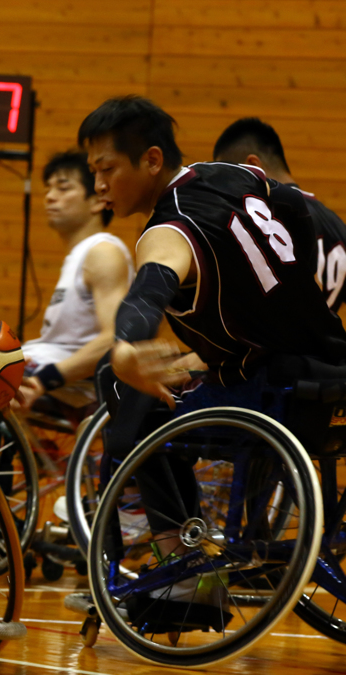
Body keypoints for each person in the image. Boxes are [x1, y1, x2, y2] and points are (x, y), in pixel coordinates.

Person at [78, 96, 346, 605]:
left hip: (270, 394)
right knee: (180, 375)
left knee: (120, 386)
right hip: (327, 374)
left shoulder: (168, 227)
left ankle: (184, 567)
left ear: (152, 160)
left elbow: (149, 289)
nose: (99, 186)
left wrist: (125, 346)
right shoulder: (234, 175)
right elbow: (295, 208)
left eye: (106, 168)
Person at [16, 150, 133, 411]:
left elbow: (116, 338)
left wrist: (49, 378)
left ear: (97, 201)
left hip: (77, 380)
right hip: (52, 365)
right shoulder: (81, 255)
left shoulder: (103, 252)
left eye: (63, 187)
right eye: (48, 188)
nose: (49, 196)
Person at [213, 117, 346, 312]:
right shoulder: (337, 225)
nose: (226, 189)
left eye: (228, 178)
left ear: (253, 166)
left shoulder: (266, 216)